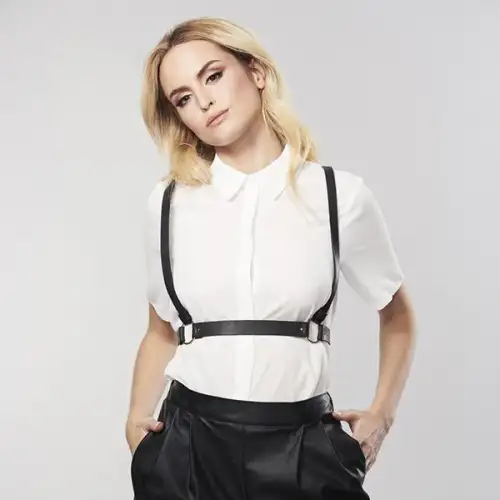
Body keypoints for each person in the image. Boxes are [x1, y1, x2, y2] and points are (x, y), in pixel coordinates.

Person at [125, 16, 416, 500]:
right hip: (189, 447)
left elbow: (398, 314)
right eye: (183, 98)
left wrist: (382, 413)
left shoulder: (338, 197)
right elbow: (160, 330)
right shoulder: (169, 203)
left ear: (256, 71)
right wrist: (137, 421)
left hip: (302, 446)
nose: (204, 101)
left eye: (213, 76)